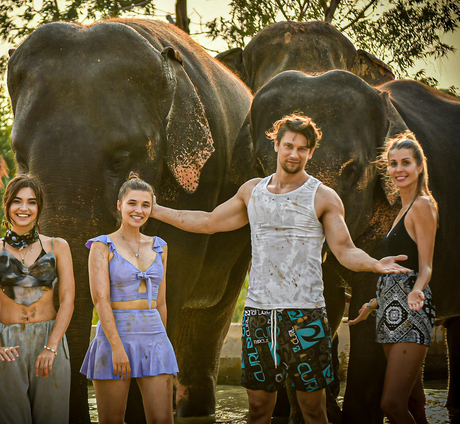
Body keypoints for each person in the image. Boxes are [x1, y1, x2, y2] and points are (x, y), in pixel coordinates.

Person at [151, 114, 410, 424]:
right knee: (259, 409)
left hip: (307, 317)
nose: (294, 154)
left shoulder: (323, 197)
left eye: (302, 148)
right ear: (275, 145)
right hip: (259, 316)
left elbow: (344, 250)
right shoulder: (252, 192)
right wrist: (154, 209)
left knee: (313, 409)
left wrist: (375, 263)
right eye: (288, 145)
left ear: (311, 152)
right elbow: (208, 222)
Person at [348, 132, 438, 424]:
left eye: (406, 163)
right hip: (390, 312)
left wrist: (418, 292)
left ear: (419, 166)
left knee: (391, 405)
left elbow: (424, 267)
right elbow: (402, 267)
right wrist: (375, 303)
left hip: (412, 313)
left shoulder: (422, 206)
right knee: (413, 401)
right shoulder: (402, 210)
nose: (399, 169)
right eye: (393, 163)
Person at [0, 174, 74, 424]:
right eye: (17, 201)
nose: (24, 208)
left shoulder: (58, 246)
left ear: (39, 208)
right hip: (8, 342)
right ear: (7, 205)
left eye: (31, 202)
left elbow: (68, 299)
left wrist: (52, 347)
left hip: (49, 340)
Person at [81, 174, 178, 424]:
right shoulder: (102, 246)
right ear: (119, 205)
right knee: (111, 421)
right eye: (132, 203)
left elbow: (161, 302)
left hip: (154, 336)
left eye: (146, 205)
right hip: (115, 336)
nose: (139, 210)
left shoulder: (160, 246)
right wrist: (116, 347)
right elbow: (100, 300)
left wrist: (163, 345)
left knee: (163, 420)